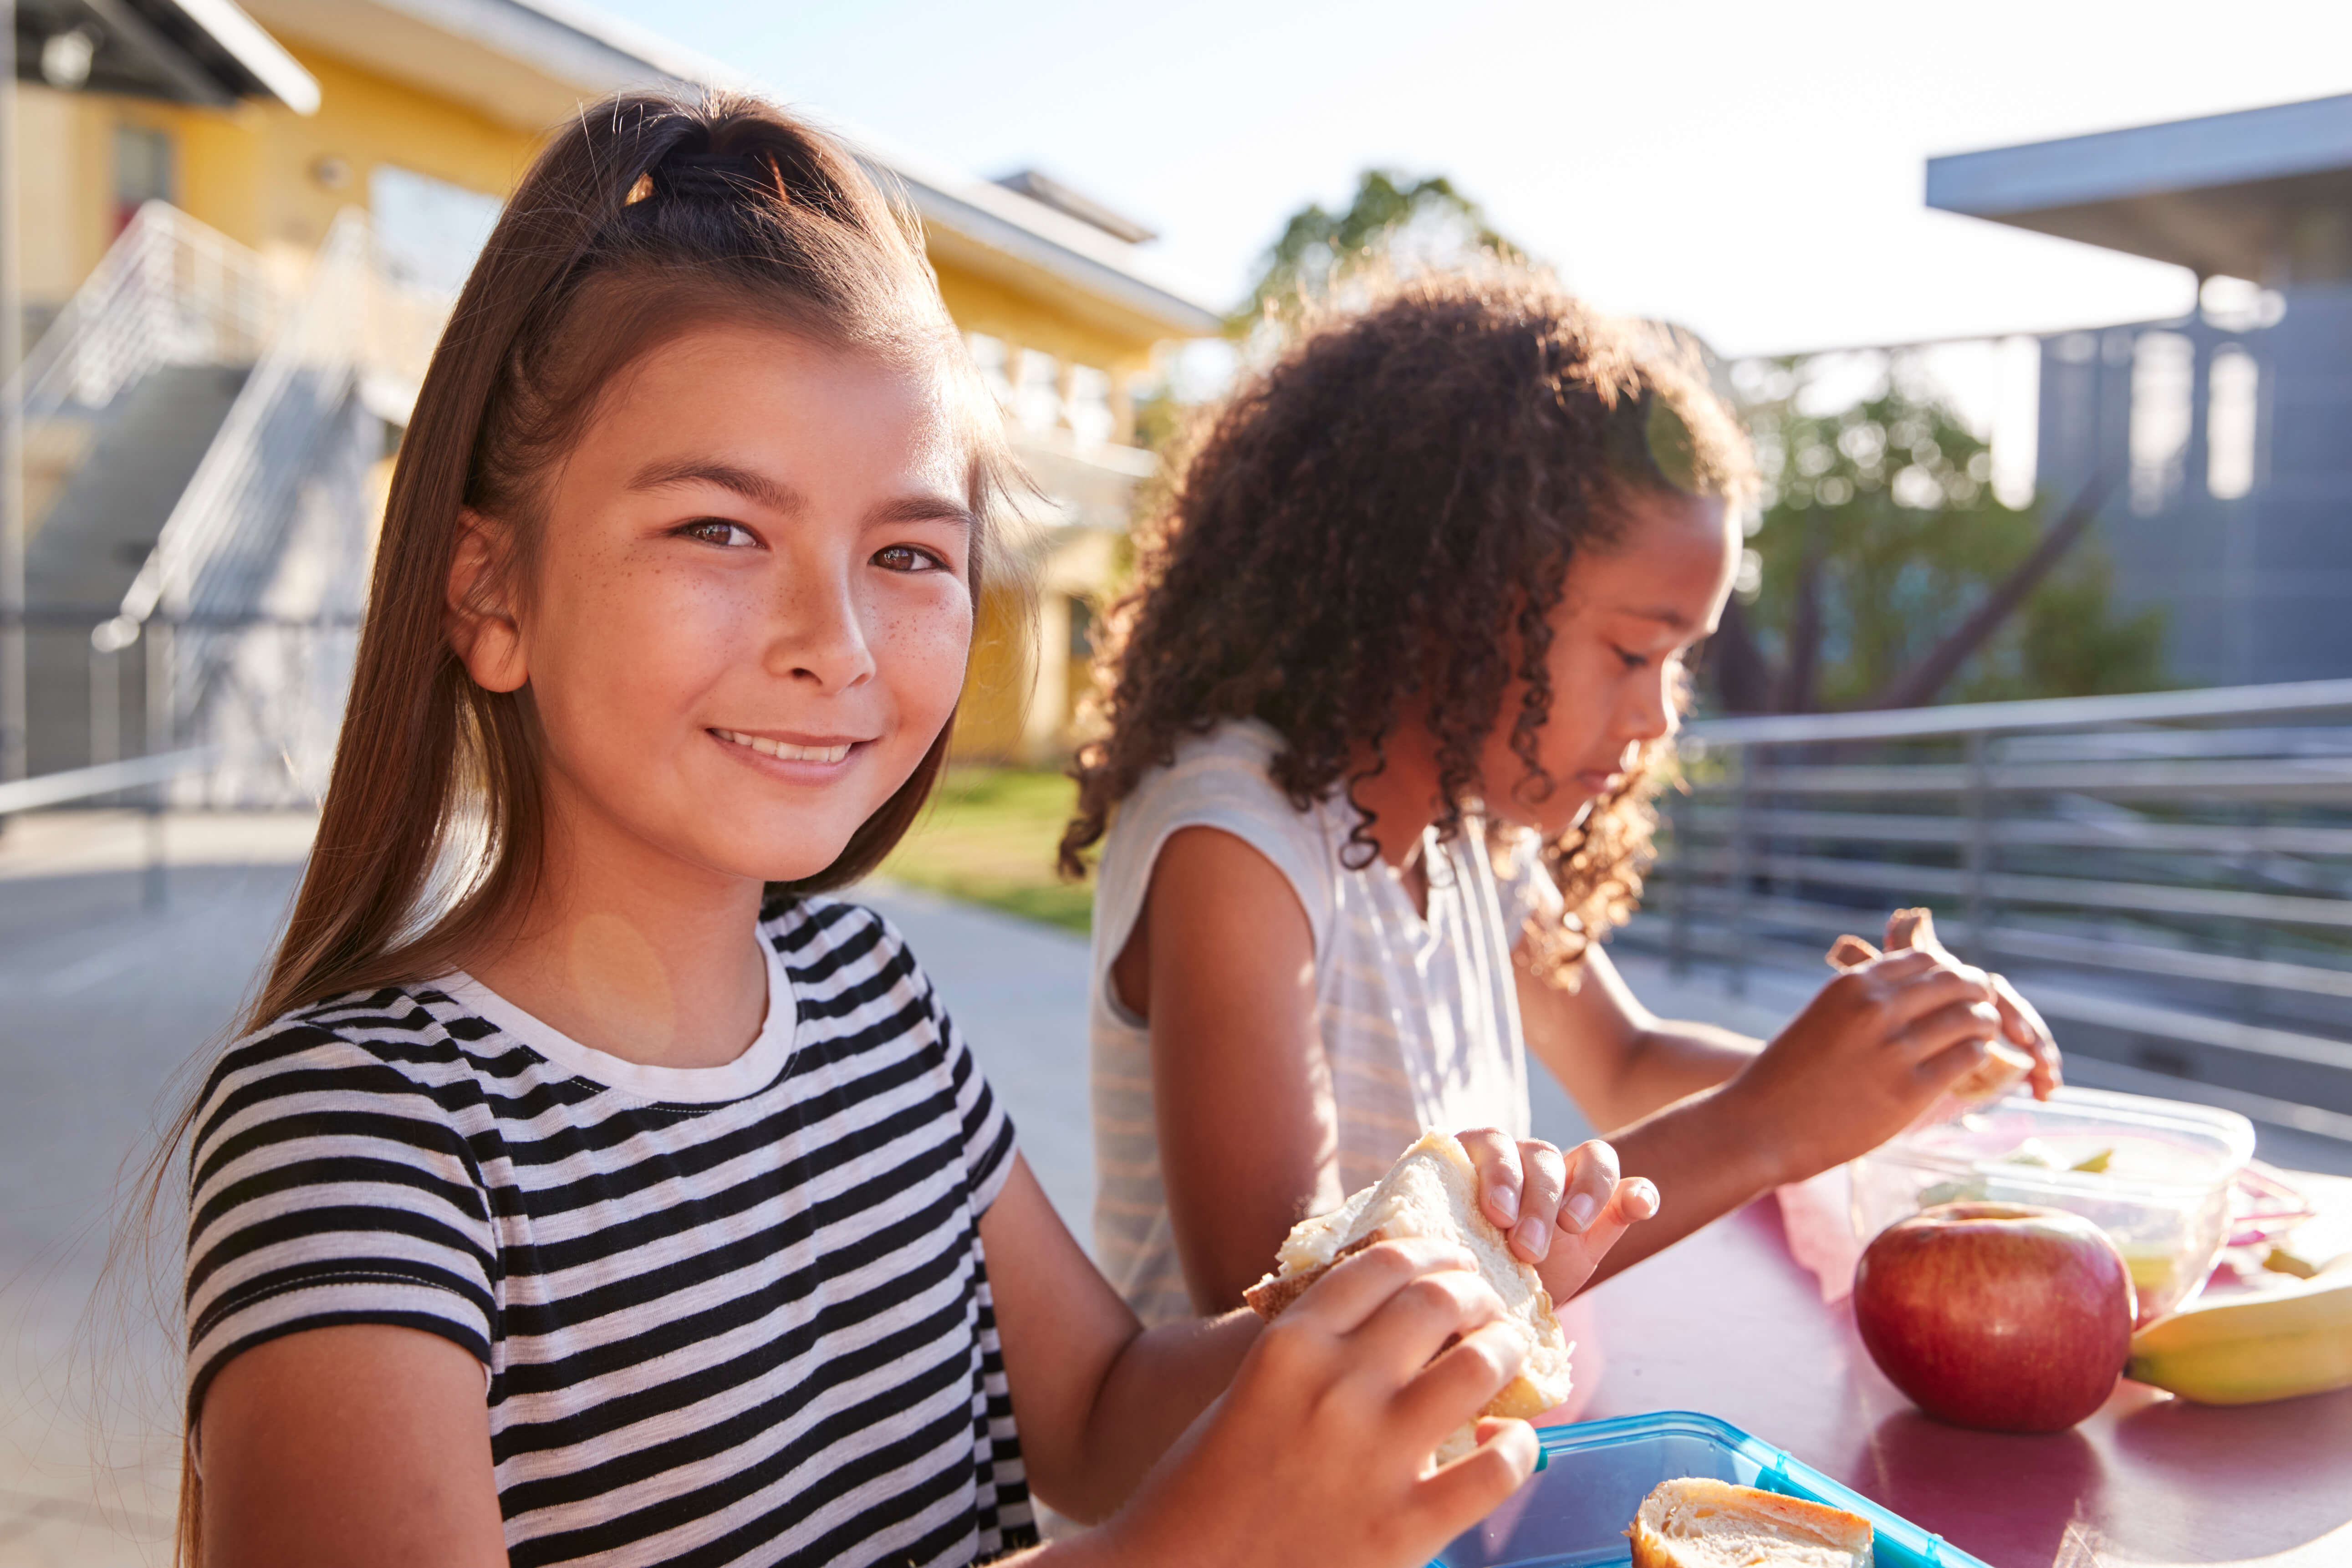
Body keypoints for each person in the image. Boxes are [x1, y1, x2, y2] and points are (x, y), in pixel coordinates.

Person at [164, 97, 1658, 1568]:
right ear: (489, 595)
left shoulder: (865, 992)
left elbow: (1093, 1406)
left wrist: (1402, 1305)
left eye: (904, 553)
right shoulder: (353, 1137)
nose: (839, 642)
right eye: (721, 529)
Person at [1063, 271, 2061, 1327]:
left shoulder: (1462, 837)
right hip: (1248, 1490)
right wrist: (1768, 1126)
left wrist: (1888, 1073)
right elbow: (1290, 1307)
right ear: (1446, 591)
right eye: (1634, 652)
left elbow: (1628, 1064)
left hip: (1443, 1465)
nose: (1660, 718)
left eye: (1680, 662)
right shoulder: (1240, 842)